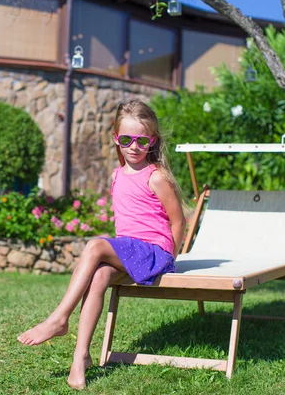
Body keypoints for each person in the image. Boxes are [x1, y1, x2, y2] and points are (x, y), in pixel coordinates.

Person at [17, 100, 186, 390]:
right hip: (131, 252)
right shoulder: (116, 175)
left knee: (95, 246)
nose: (134, 146)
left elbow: (178, 221)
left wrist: (170, 257)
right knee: (98, 277)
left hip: (155, 253)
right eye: (126, 139)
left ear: (153, 141)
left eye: (142, 140)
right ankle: (80, 357)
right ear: (115, 139)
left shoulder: (156, 176)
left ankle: (59, 319)